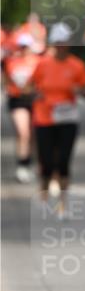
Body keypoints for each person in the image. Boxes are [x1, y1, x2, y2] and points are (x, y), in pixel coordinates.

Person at [31, 23, 85, 211]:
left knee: (63, 159)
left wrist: (79, 90)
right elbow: (30, 87)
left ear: (69, 44)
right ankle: (44, 193)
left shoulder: (77, 65)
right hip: (44, 117)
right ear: (53, 44)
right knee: (46, 160)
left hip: (67, 118)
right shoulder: (43, 64)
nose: (61, 47)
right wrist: (35, 93)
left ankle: (63, 202)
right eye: (57, 43)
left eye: (64, 43)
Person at [2, 31, 40, 182]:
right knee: (23, 132)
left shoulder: (38, 61)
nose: (24, 49)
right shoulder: (11, 62)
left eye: (27, 46)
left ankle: (33, 162)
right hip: (17, 100)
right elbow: (5, 79)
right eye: (22, 46)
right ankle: (22, 165)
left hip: (36, 101)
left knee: (34, 135)